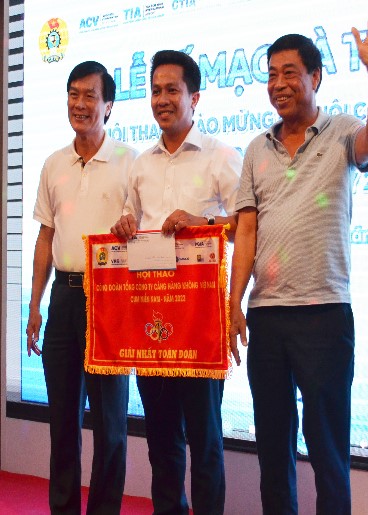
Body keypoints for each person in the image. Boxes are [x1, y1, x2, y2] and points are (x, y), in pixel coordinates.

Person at [226, 4, 368, 513]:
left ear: (315, 77)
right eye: (271, 75)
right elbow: (246, 230)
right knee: (274, 450)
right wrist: (234, 302)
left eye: (289, 73)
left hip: (324, 315)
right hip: (268, 316)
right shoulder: (256, 148)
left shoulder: (342, 131)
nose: (278, 84)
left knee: (327, 451)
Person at [106, 49, 240, 515]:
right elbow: (131, 220)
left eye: (172, 90)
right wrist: (124, 225)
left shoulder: (222, 157)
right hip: (152, 321)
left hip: (200, 323)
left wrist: (202, 222)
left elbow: (247, 226)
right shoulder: (140, 164)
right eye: (155, 91)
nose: (162, 99)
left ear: (194, 97)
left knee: (205, 440)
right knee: (162, 441)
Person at [27, 60, 136, 515]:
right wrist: (34, 306)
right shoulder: (54, 163)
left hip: (110, 299)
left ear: (108, 106)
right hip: (64, 298)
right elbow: (45, 237)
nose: (80, 103)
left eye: (90, 95)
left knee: (110, 424)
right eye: (74, 94)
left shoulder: (131, 162)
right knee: (62, 421)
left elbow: (144, 230)